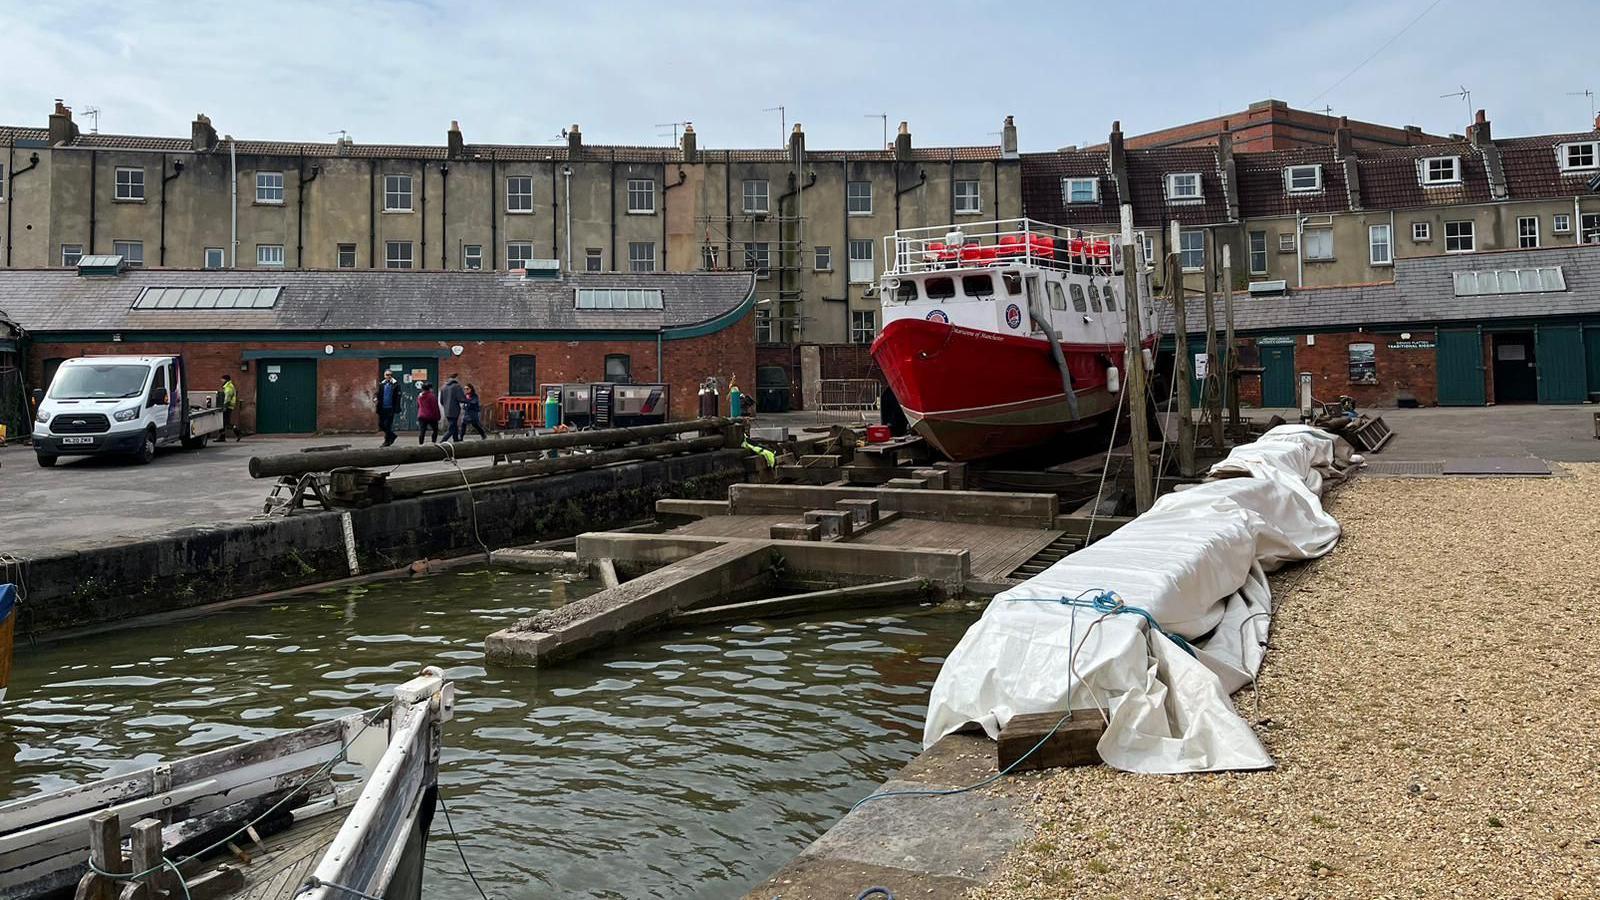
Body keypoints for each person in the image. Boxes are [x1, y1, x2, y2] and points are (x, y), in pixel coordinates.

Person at [375, 370, 403, 446]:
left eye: (390, 375)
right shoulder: (382, 384)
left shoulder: (395, 385)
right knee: (381, 425)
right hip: (382, 408)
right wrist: (376, 398)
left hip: (390, 408)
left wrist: (396, 408)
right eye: (387, 375)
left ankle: (386, 441)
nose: (388, 376)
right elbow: (378, 394)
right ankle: (392, 435)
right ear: (384, 376)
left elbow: (398, 397)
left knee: (388, 425)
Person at [438, 373, 465, 442]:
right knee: (452, 429)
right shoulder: (457, 386)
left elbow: (441, 401)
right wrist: (467, 400)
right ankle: (442, 442)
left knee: (454, 425)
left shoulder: (443, 387)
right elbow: (461, 399)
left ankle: (456, 440)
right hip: (454, 410)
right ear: (456, 378)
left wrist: (446, 406)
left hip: (447, 410)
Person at [220, 375, 244, 441]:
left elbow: (227, 396)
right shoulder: (228, 385)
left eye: (222, 379)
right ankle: (222, 437)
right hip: (228, 406)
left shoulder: (228, 386)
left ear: (225, 379)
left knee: (226, 422)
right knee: (222, 422)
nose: (221, 381)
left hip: (228, 406)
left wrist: (225, 406)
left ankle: (238, 432)